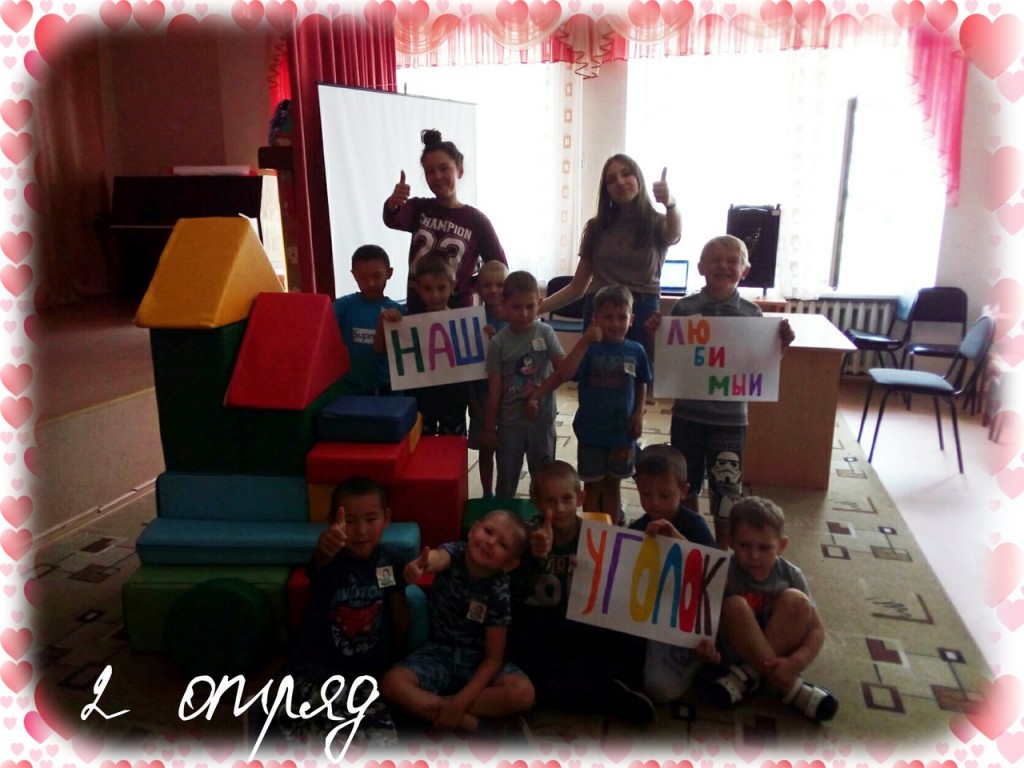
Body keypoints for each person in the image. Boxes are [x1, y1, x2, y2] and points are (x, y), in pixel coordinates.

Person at [645, 235, 795, 549]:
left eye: (731, 261)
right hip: (688, 416)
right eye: (715, 260)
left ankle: (722, 554)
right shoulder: (685, 308)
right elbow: (669, 361)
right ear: (701, 267)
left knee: (726, 491)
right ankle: (690, 546)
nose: (723, 266)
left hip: (731, 420)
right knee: (685, 485)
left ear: (745, 270)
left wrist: (779, 346)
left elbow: (758, 368)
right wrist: (655, 335)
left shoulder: (752, 314)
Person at [508, 459, 653, 724]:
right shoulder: (524, 533)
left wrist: (597, 571)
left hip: (580, 628)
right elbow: (509, 592)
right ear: (537, 503)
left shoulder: (596, 536)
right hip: (540, 629)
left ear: (580, 498)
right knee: (518, 652)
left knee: (632, 633)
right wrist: (531, 556)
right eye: (550, 501)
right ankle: (607, 694)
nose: (560, 508)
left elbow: (618, 593)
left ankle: (584, 687)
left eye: (567, 499)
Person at [274, 476, 410, 747]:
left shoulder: (390, 561)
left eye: (370, 519)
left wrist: (397, 659)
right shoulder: (330, 560)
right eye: (349, 521)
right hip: (317, 674)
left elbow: (399, 612)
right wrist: (325, 545)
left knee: (383, 741)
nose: (361, 530)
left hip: (365, 680)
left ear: (386, 518)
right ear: (332, 523)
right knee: (316, 731)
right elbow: (321, 559)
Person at [380, 510, 535, 732]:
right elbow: (439, 558)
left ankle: (440, 709)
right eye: (488, 531)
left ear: (509, 563)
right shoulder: (455, 552)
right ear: (473, 530)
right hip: (438, 653)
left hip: (477, 662)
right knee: (391, 683)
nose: (490, 542)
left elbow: (493, 659)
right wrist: (422, 564)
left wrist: (459, 702)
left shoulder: (499, 590)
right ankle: (471, 723)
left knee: (522, 692)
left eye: (502, 544)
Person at [701, 496, 838, 722]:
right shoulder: (724, 572)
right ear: (731, 541)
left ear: (781, 546)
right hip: (735, 654)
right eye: (744, 546)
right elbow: (704, 619)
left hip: (780, 656)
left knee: (798, 601)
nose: (754, 555)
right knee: (734, 605)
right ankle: (791, 688)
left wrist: (796, 663)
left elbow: (816, 630)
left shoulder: (791, 574)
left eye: (764, 547)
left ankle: (748, 675)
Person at [525, 285, 651, 522]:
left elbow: (642, 381)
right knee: (592, 486)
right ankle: (591, 533)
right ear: (595, 319)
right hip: (591, 432)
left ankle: (610, 531)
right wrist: (584, 341)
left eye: (621, 317)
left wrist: (638, 413)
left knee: (613, 485)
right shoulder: (588, 349)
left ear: (631, 319)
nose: (615, 323)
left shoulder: (637, 350)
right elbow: (565, 373)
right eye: (608, 317)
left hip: (622, 433)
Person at [538, 155, 680, 359]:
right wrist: (534, 309)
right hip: (599, 309)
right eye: (611, 180)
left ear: (638, 178)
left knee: (637, 373)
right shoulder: (596, 228)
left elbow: (674, 233)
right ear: (606, 190)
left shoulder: (657, 223)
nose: (620, 182)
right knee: (595, 372)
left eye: (626, 174)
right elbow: (577, 287)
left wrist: (670, 203)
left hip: (641, 309)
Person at [629, 444, 719, 703]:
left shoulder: (695, 525)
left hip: (686, 621)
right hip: (651, 620)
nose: (655, 502)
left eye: (665, 495)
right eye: (646, 494)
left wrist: (675, 538)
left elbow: (715, 575)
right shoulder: (636, 529)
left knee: (661, 689)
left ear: (684, 491)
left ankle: (704, 662)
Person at [384, 129, 508, 314]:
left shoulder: (477, 221)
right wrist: (393, 203)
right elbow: (393, 219)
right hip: (418, 312)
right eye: (429, 172)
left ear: (459, 170)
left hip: (458, 315)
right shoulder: (419, 208)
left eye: (444, 169)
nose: (437, 177)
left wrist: (466, 285)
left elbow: (500, 268)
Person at [482, 271, 566, 500]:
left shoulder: (545, 332)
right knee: (507, 478)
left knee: (544, 479)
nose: (524, 313)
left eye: (530, 306)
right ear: (504, 305)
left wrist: (537, 395)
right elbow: (495, 389)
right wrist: (489, 428)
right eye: (517, 307)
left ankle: (544, 518)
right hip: (510, 423)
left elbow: (563, 371)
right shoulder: (498, 342)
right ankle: (503, 517)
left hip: (542, 420)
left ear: (539, 303)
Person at [377, 255, 471, 436]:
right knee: (421, 446)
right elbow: (379, 349)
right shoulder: (407, 322)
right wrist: (383, 323)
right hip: (420, 401)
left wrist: (484, 334)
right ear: (418, 290)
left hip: (454, 401)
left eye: (441, 288)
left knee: (452, 447)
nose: (435, 295)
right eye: (428, 289)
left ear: (452, 287)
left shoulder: (464, 324)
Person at [332, 244, 403, 395]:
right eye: (363, 278)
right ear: (354, 275)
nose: (371, 283)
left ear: (389, 273)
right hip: (352, 391)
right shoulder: (343, 307)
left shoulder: (399, 312)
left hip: (390, 390)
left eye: (376, 276)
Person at [468, 260, 510, 498]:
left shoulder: (516, 320)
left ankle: (504, 492)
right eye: (487, 285)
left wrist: (498, 341)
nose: (493, 290)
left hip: (510, 396)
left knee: (507, 448)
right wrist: (471, 400)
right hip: (480, 393)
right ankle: (487, 493)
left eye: (500, 284)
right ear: (478, 288)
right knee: (485, 447)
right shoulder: (469, 320)